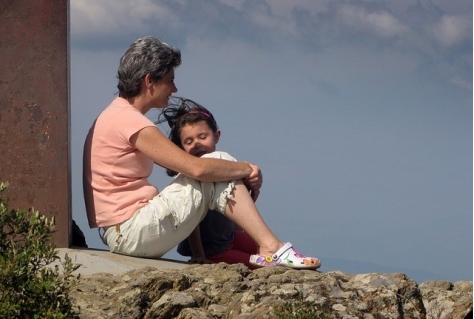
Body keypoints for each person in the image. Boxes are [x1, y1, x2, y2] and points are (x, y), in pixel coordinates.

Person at [82, 36, 321, 269]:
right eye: (169, 80)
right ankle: (271, 247)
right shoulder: (128, 121)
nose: (174, 88)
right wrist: (247, 168)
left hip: (124, 232)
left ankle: (271, 247)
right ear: (149, 81)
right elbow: (196, 168)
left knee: (216, 166)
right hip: (130, 232)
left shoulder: (116, 116)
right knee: (217, 160)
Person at [161, 98, 259, 269]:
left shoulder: (223, 167)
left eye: (202, 136)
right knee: (263, 268)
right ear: (182, 148)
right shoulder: (190, 177)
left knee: (270, 252)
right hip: (214, 251)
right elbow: (191, 221)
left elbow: (236, 208)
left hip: (230, 237)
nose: (197, 144)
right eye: (188, 141)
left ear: (216, 136)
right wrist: (199, 255)